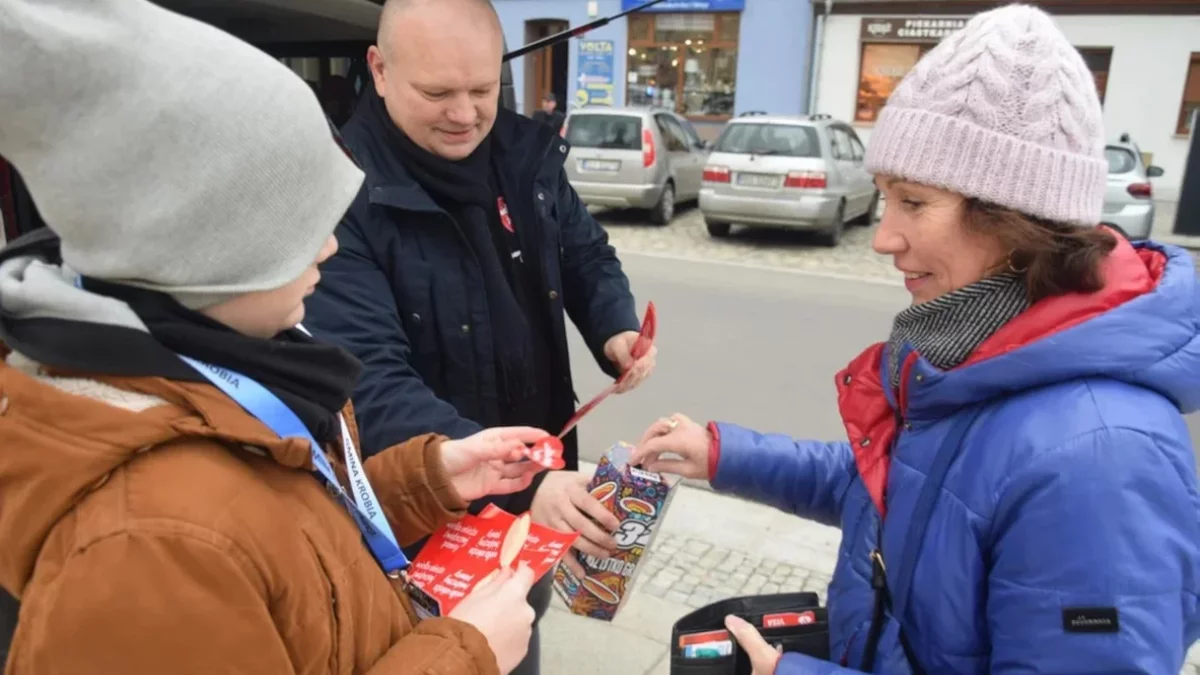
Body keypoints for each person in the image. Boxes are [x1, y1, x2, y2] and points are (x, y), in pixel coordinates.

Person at [633, 5, 1200, 674]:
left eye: (914, 201)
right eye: (884, 197)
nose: (882, 237)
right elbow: (898, 487)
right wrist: (723, 454)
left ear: (1014, 218)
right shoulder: (979, 352)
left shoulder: (1099, 459)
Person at [0, 1, 548, 673]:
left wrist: (426, 476)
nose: (328, 247)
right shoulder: (145, 542)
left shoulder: (217, 376)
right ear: (209, 252)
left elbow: (292, 550)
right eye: (301, 224)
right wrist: (467, 652)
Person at [302, 2, 656, 673]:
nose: (464, 114)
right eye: (437, 92)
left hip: (535, 487)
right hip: (421, 535)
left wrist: (614, 323)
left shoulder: (525, 154)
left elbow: (582, 251)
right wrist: (525, 487)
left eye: (482, 89)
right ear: (378, 71)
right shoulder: (340, 191)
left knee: (524, 625)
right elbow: (367, 384)